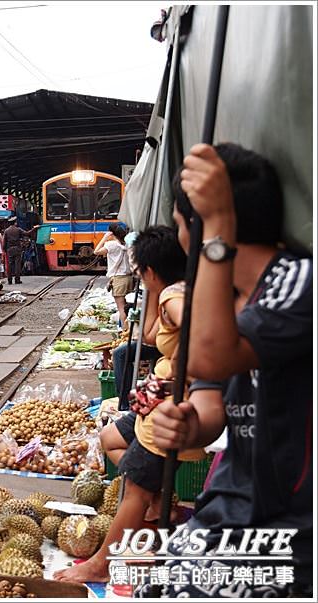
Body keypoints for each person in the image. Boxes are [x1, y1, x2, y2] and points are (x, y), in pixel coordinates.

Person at [141, 143, 312, 597]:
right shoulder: (223, 300)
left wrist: (214, 228)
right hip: (231, 511)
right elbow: (209, 397)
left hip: (294, 529)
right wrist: (190, 425)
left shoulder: (299, 281)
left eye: (182, 226)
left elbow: (210, 357)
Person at [55, 225, 223, 584]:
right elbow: (150, 336)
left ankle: (102, 564)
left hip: (169, 406)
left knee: (133, 484)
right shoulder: (168, 292)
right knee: (109, 438)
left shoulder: (174, 298)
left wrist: (185, 366)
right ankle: (159, 499)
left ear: (148, 269)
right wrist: (150, 291)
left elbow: (195, 325)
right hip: (154, 403)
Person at [94, 224, 132, 324]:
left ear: (112, 233)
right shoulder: (127, 244)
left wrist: (104, 237)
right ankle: (129, 330)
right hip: (129, 278)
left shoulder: (111, 245)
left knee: (122, 309)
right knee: (129, 307)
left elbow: (96, 251)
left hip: (119, 279)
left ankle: (125, 332)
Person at [2, 217, 38, 284]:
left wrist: (4, 250)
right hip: (17, 249)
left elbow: (4, 242)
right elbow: (27, 233)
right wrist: (34, 229)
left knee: (10, 265)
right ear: (15, 223)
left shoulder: (6, 231)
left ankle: (9, 280)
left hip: (9, 250)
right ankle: (17, 280)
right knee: (17, 265)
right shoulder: (18, 229)